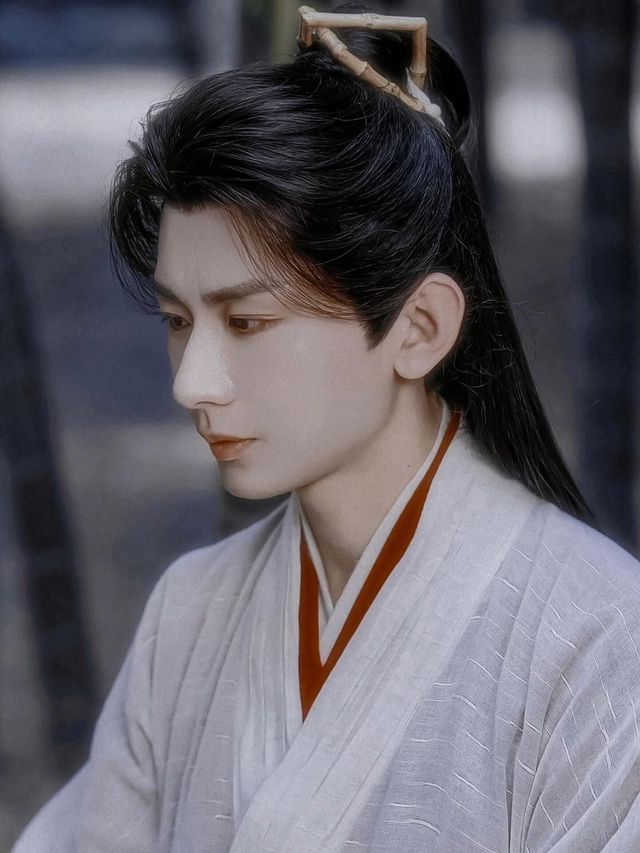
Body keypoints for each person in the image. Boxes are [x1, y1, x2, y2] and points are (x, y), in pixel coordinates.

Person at [13, 4, 640, 851]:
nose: (192, 382)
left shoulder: (597, 638)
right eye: (177, 321)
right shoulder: (190, 614)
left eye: (248, 323)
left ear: (420, 328)